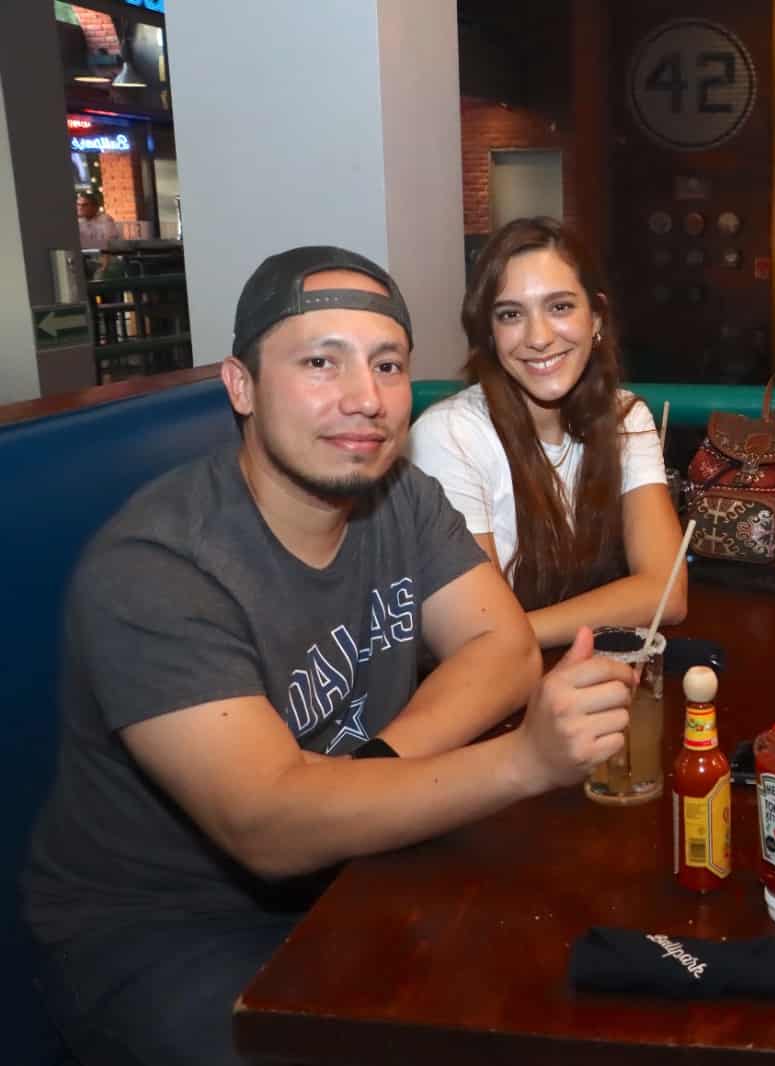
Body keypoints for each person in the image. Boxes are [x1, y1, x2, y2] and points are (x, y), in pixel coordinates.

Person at [22, 246, 637, 1066]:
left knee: (577, 976)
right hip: (165, 938)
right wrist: (523, 763)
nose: (365, 399)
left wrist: (375, 764)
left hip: (349, 872)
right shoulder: (155, 568)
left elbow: (504, 645)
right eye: (321, 361)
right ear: (241, 386)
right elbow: (269, 827)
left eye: (387, 365)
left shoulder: (398, 495)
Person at [410, 217, 686, 648]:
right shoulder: (450, 436)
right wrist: (495, 636)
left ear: (596, 317)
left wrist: (511, 632)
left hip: (584, 677)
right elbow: (472, 632)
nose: (538, 338)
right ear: (488, 331)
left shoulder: (624, 417)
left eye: (559, 307)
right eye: (510, 314)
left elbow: (667, 593)